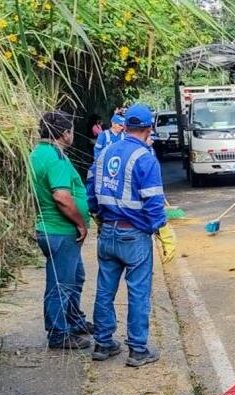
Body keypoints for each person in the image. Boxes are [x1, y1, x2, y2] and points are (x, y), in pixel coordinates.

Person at [86, 104, 171, 367]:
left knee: (104, 290)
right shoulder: (145, 158)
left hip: (107, 231)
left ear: (125, 125)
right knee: (138, 293)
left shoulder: (105, 152)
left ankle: (103, 343)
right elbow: (154, 200)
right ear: (148, 129)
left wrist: (98, 217)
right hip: (134, 235)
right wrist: (162, 230)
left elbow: (91, 190)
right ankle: (137, 350)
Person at [30, 111, 93, 350]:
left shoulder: (38, 153)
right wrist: (80, 222)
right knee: (61, 283)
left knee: (75, 277)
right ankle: (59, 333)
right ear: (65, 133)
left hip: (51, 228)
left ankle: (74, 320)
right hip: (60, 229)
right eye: (72, 130)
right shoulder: (55, 158)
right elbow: (62, 197)